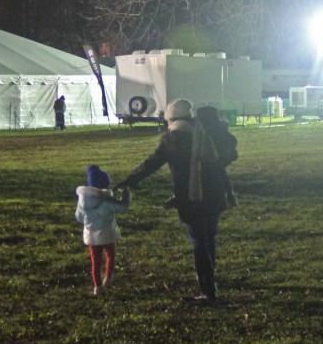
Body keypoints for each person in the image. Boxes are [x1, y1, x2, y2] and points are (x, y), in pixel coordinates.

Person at [119, 99, 224, 301]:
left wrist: (130, 180)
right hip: (214, 194)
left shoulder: (173, 138)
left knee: (198, 242)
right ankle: (211, 278)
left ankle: (207, 289)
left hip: (193, 197)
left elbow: (152, 163)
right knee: (208, 238)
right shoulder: (201, 131)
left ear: (171, 118)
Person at [75, 164, 131, 296]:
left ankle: (97, 287)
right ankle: (109, 277)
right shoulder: (107, 200)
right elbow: (123, 207)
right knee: (110, 254)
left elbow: (78, 217)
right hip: (107, 232)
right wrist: (126, 193)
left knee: (95, 260)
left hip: (90, 234)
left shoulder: (82, 200)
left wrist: (88, 222)